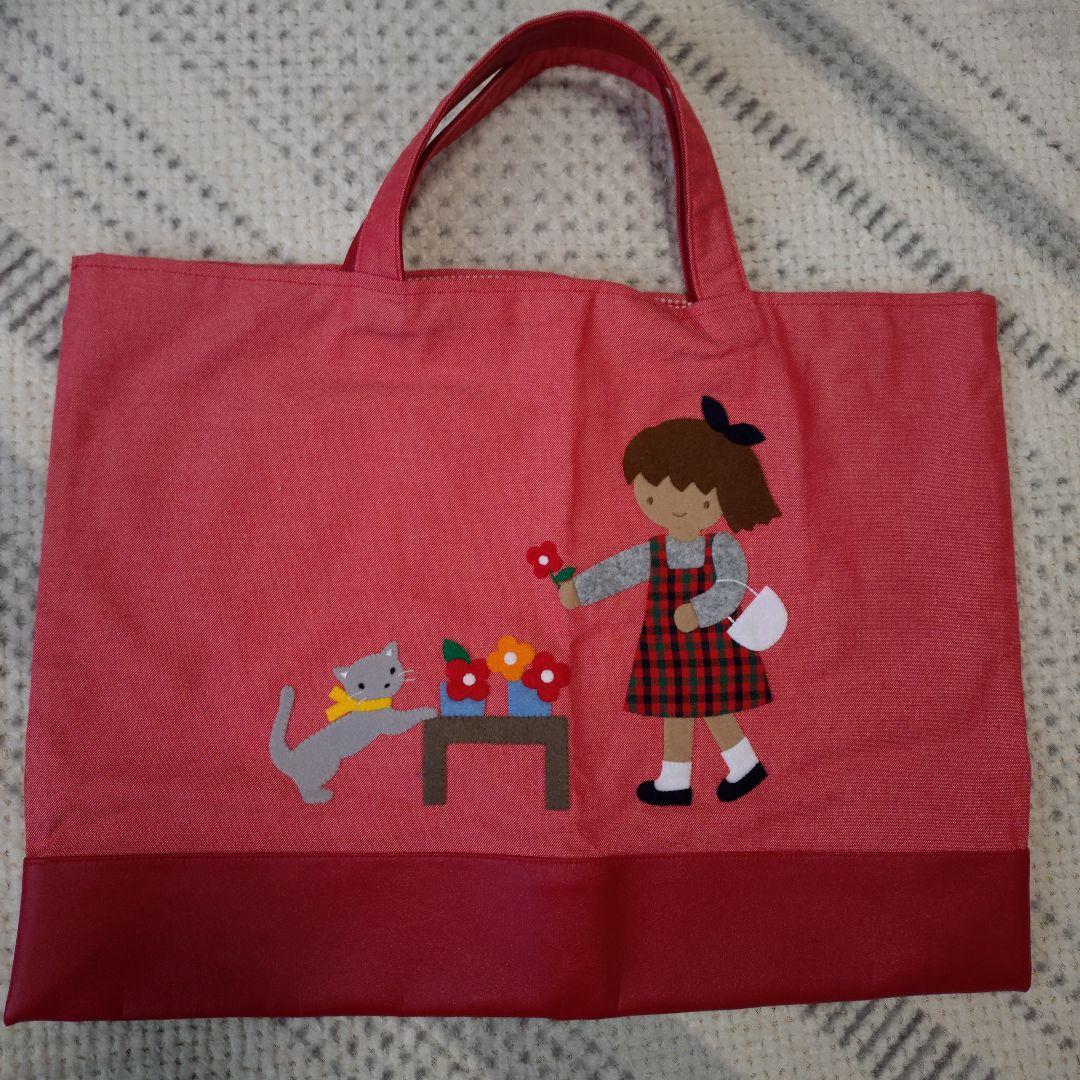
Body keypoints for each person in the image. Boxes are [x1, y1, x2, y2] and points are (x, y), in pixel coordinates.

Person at [560, 397, 781, 806]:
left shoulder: (722, 546)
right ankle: (678, 781)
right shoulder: (654, 551)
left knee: (714, 708)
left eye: (697, 498)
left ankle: (742, 766)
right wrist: (580, 589)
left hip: (712, 644)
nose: (675, 508)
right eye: (653, 497)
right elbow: (619, 570)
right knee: (676, 710)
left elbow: (732, 587)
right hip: (667, 647)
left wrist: (698, 611)